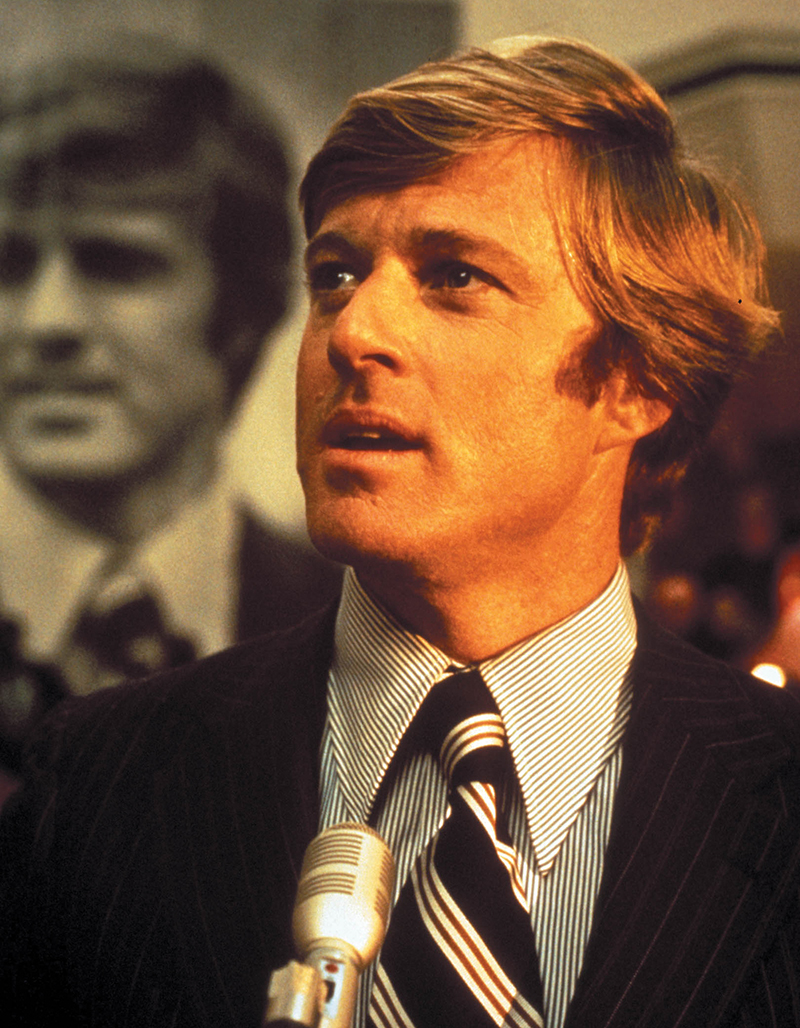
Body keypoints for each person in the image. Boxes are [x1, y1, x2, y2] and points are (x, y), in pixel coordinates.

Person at [1, 34, 797, 1028]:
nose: (353, 331)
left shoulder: (776, 791)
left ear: (636, 380)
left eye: (454, 275)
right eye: (335, 275)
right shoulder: (98, 784)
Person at [0, 35, 342, 774]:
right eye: (10, 266)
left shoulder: (358, 619)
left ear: (242, 309)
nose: (46, 322)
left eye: (117, 264)